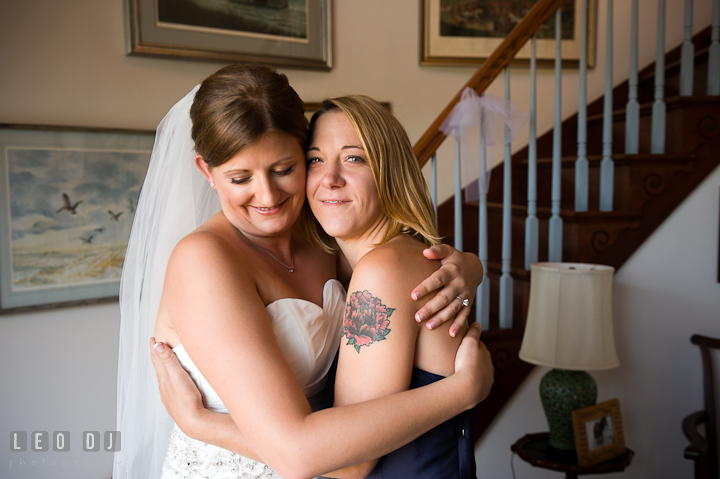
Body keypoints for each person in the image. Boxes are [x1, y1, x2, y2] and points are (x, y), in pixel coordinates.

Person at [115, 63, 492, 479]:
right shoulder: (205, 260)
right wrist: (461, 391)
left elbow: (392, 260)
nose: (268, 194)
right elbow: (306, 454)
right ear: (207, 172)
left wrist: (470, 265)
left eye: (284, 169)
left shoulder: (323, 241)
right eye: (240, 177)